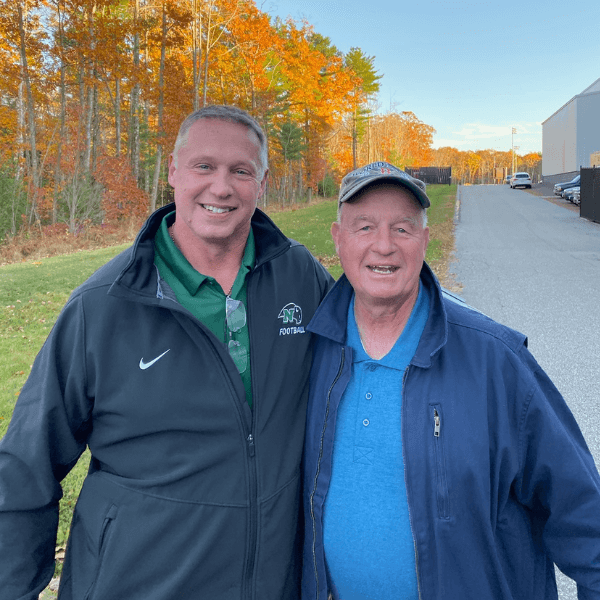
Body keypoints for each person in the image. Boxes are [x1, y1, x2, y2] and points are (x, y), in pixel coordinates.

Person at [0, 105, 333, 599]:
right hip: (138, 583)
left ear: (261, 183)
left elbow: (368, 357)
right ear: (174, 171)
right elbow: (27, 465)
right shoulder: (104, 306)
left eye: (240, 171)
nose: (221, 187)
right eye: (204, 166)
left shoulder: (300, 277)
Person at [301, 161, 600, 600]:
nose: (383, 246)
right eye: (364, 227)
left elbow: (583, 514)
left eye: (402, 229)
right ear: (338, 238)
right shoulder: (313, 350)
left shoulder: (496, 359)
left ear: (425, 238)